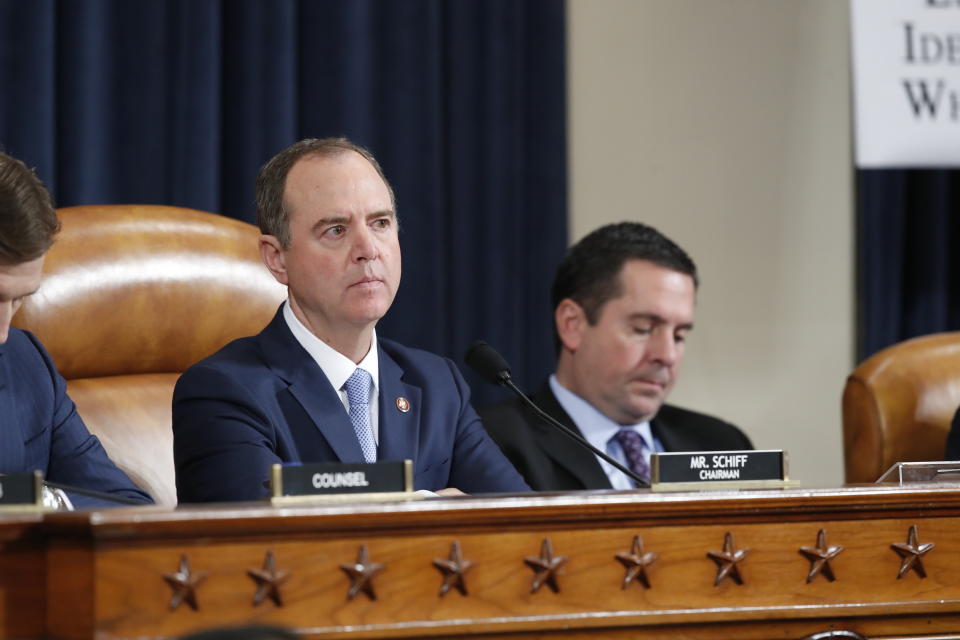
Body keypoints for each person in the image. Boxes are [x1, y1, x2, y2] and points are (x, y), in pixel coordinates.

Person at [172, 137, 529, 502]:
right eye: (336, 230)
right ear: (277, 258)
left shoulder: (437, 385)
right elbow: (271, 539)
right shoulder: (223, 392)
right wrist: (429, 505)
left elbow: (524, 524)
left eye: (380, 223)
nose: (368, 250)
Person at [479, 222, 752, 491]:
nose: (667, 355)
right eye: (642, 329)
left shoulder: (720, 443)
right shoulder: (490, 445)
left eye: (679, 336)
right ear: (572, 324)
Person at [0, 151, 153, 508]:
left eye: (19, 300)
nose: (3, 333)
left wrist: (48, 502)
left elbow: (126, 509)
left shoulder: (27, 364)